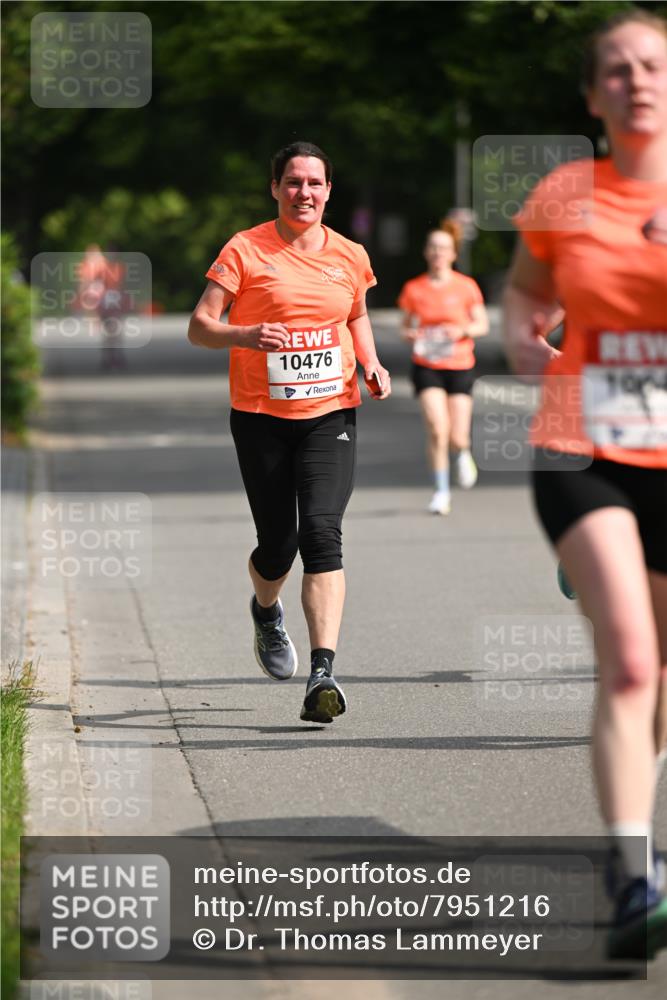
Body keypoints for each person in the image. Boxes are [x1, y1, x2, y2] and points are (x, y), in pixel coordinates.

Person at [503, 10, 667, 959]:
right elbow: (527, 289)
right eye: (616, 69)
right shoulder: (567, 193)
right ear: (591, 95)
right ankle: (629, 874)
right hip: (583, 449)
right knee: (630, 661)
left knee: (664, 681)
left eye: (652, 64)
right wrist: (527, 343)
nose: (636, 79)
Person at [188, 141, 390, 724]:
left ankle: (322, 672)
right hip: (260, 418)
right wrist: (246, 336)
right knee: (278, 545)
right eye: (294, 182)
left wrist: (371, 363)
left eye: (315, 183)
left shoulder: (350, 253)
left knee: (323, 533)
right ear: (275, 188)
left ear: (329, 191)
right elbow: (201, 327)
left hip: (332, 412)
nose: (305, 192)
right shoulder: (245, 249)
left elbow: (355, 315)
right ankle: (265, 610)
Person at [397, 223, 489, 514]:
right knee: (437, 429)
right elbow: (404, 327)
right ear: (426, 252)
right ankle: (441, 491)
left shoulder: (465, 286)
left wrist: (461, 330)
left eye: (443, 248)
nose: (438, 252)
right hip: (427, 365)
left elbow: (482, 325)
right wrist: (410, 335)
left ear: (453, 253)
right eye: (433, 247)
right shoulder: (414, 288)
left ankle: (462, 452)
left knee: (457, 436)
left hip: (460, 365)